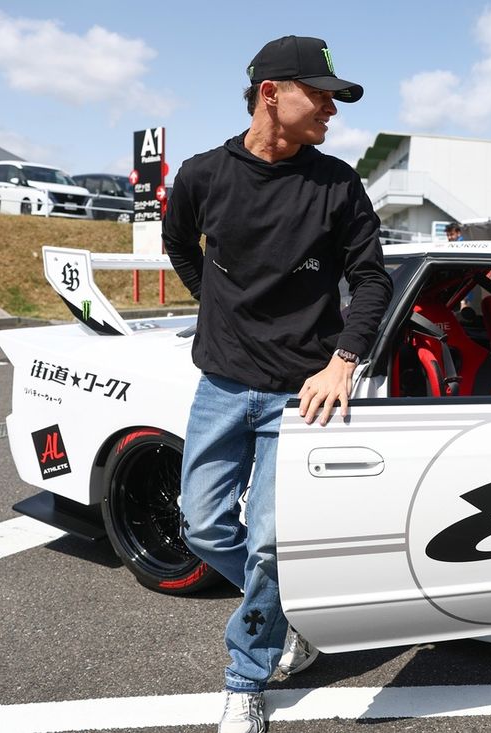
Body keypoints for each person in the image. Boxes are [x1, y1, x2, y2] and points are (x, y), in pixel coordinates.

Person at [162, 35, 393, 733]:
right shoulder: (203, 176)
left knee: (266, 542)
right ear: (271, 93)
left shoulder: (336, 183)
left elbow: (372, 279)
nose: (331, 109)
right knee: (202, 526)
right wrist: (215, 306)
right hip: (222, 383)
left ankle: (245, 676)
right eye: (318, 94)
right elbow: (179, 244)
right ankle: (286, 610)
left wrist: (343, 359)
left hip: (302, 394)